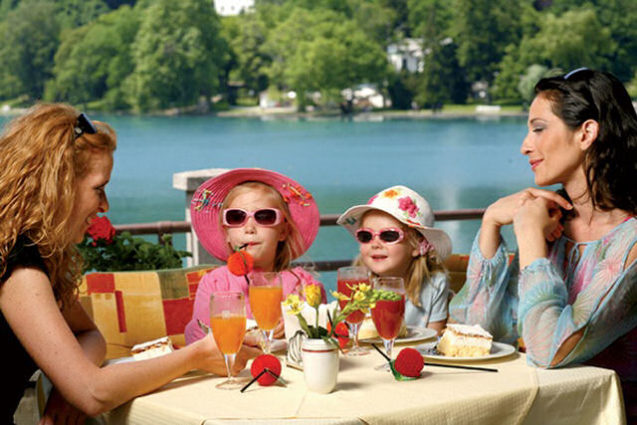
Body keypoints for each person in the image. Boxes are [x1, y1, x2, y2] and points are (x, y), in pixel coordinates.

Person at [0, 104, 260, 425]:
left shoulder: (30, 256)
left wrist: (70, 383)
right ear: (58, 187)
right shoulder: (19, 271)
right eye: (98, 189)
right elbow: (95, 395)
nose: (105, 205)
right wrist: (195, 356)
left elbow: (89, 335)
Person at [449, 68, 636, 420]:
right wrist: (490, 222)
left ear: (586, 133)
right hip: (539, 410)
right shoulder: (550, 221)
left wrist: (530, 238)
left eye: (538, 128)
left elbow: (548, 349)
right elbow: (477, 334)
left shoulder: (630, 242)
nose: (524, 146)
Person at [184, 168, 326, 345]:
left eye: (264, 217)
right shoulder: (214, 284)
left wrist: (294, 325)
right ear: (226, 234)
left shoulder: (302, 285)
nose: (249, 228)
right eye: (236, 217)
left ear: (283, 231)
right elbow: (200, 341)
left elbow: (321, 335)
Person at [337, 185, 452, 334]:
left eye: (389, 236)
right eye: (366, 236)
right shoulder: (355, 285)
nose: (375, 244)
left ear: (417, 246)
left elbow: (432, 340)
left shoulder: (435, 284)